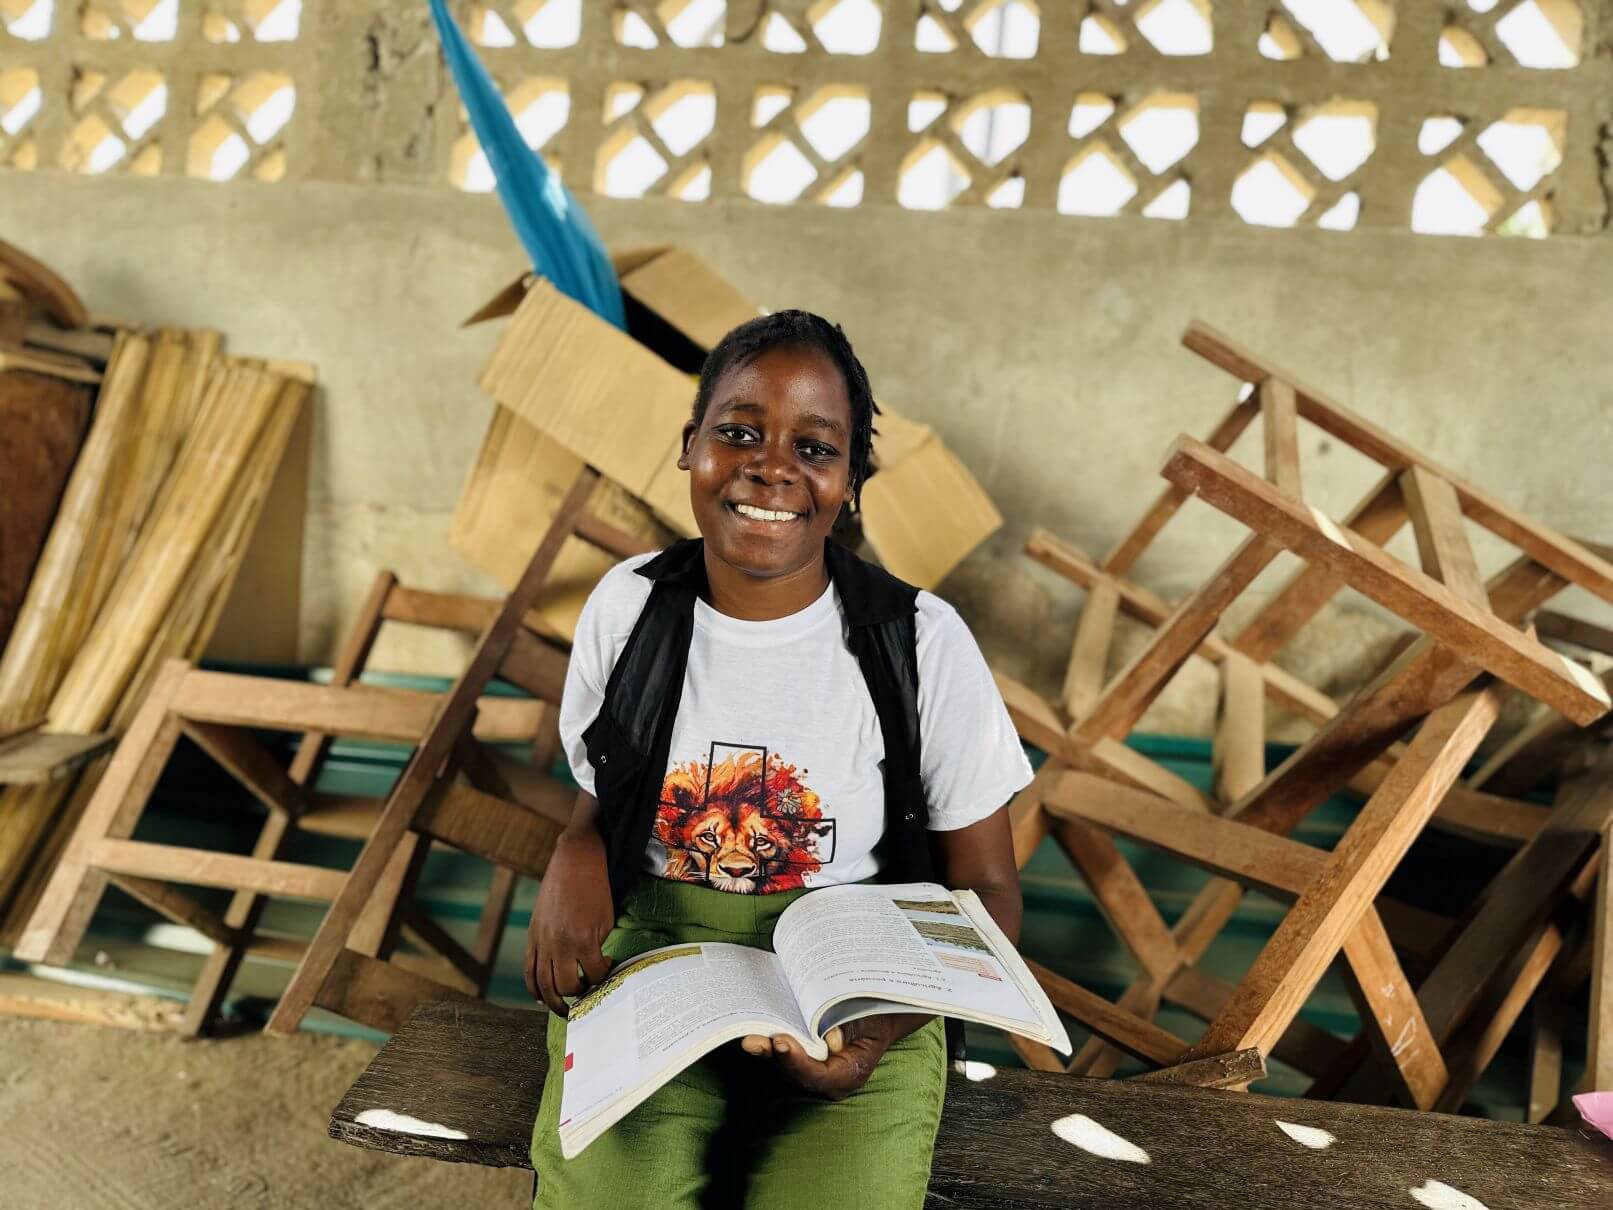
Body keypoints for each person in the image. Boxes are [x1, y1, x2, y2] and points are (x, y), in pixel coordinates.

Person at [525, 310, 1034, 1208]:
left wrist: (887, 1023)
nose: (771, 468)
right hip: (655, 958)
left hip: (855, 984)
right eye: (738, 432)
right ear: (689, 448)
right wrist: (573, 851)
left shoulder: (919, 641)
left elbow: (987, 887)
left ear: (849, 481)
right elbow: (600, 796)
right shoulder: (629, 608)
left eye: (815, 447)